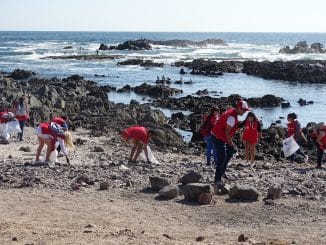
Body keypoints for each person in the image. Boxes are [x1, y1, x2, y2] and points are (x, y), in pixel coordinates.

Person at [211, 100, 251, 187]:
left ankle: (222, 172)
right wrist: (232, 145)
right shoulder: (232, 118)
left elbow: (230, 127)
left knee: (229, 153)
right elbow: (227, 134)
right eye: (244, 110)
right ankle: (217, 179)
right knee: (222, 157)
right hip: (217, 137)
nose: (244, 112)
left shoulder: (233, 111)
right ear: (239, 109)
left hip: (222, 136)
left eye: (245, 111)